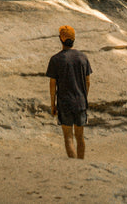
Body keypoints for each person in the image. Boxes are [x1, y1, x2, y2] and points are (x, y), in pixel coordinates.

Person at [45, 25, 92, 159]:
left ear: (61, 39)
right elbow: (88, 81)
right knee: (80, 136)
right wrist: (83, 97)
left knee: (68, 137)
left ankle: (74, 166)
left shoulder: (56, 59)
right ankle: (81, 163)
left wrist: (53, 105)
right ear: (74, 39)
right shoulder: (83, 57)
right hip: (80, 102)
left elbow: (52, 84)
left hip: (64, 103)